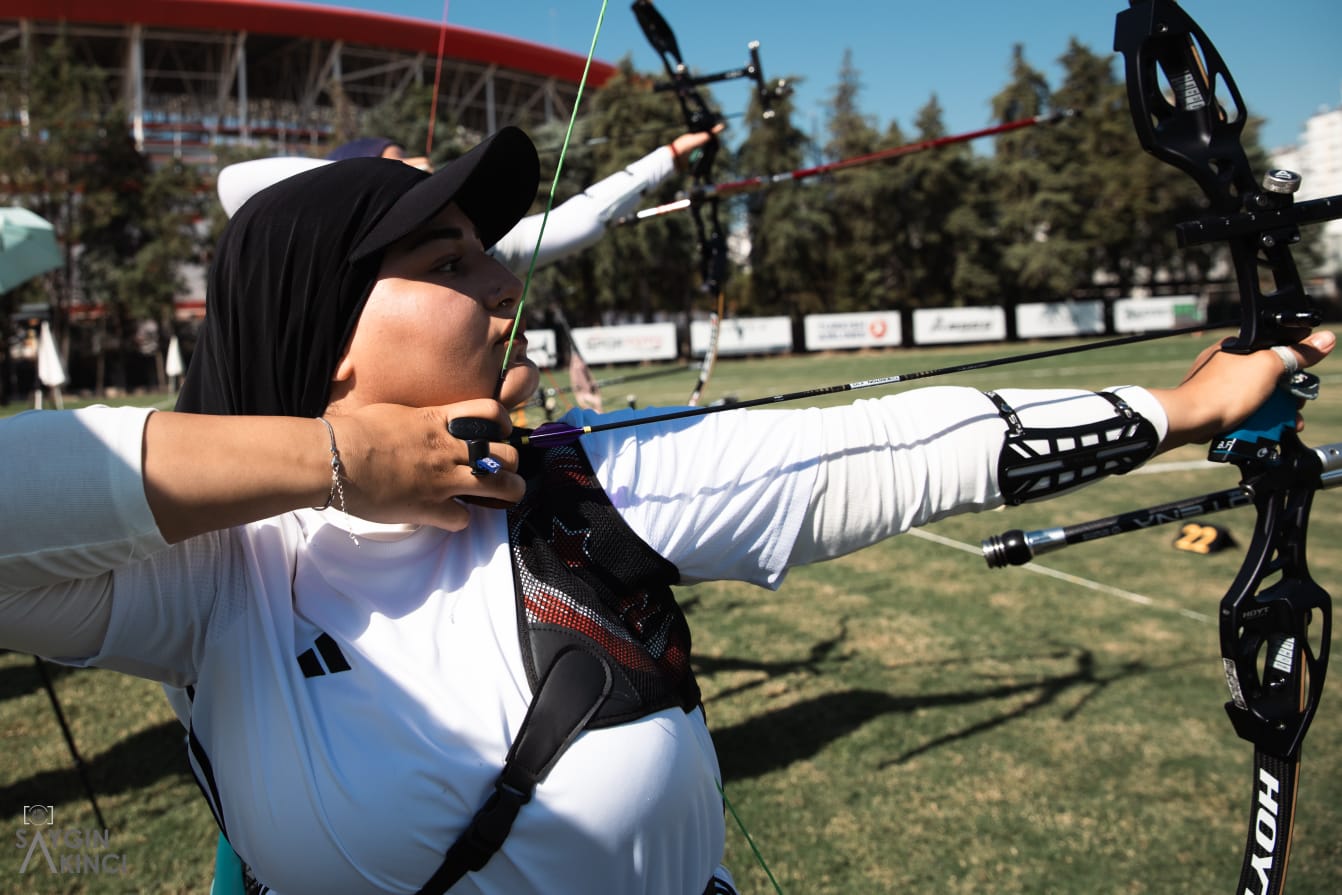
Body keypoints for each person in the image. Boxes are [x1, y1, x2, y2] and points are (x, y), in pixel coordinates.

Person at [0, 124, 1333, 895]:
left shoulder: (575, 482)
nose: (502, 292)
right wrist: (334, 465)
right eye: (451, 262)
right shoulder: (212, 577)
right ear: (326, 337)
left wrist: (1178, 405)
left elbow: (869, 449)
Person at [215, 127, 722, 274]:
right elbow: (235, 184)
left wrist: (668, 156)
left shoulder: (487, 250)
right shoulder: (340, 275)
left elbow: (585, 215)